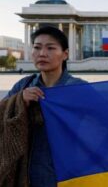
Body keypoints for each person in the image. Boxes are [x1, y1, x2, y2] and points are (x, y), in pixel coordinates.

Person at [2, 26, 86, 186]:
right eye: (37, 47)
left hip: (65, 174)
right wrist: (20, 101)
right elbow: (1, 114)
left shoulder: (78, 89)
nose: (42, 53)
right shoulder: (23, 85)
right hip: (24, 174)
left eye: (50, 48)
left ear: (65, 54)